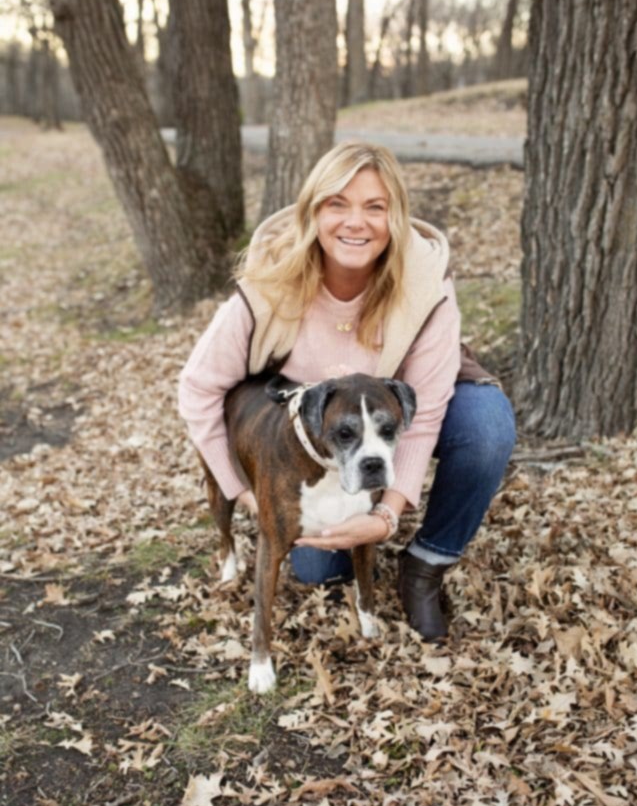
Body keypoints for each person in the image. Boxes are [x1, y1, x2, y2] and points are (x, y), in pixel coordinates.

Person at [178, 141, 516, 642]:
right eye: (338, 203)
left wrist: (386, 516)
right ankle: (348, 533)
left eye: (374, 207)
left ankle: (425, 564)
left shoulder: (425, 281)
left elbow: (423, 413)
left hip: (400, 405)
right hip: (318, 431)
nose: (356, 222)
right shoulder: (268, 281)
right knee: (319, 570)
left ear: (395, 217)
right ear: (313, 211)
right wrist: (244, 493)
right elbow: (198, 388)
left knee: (486, 425)